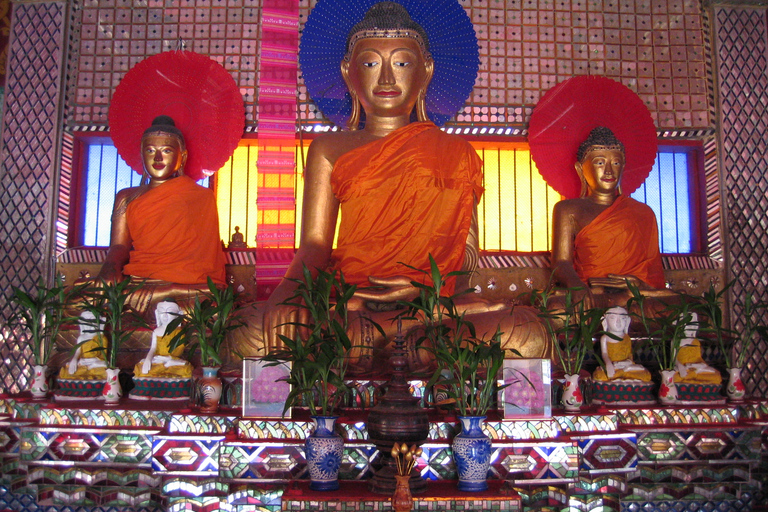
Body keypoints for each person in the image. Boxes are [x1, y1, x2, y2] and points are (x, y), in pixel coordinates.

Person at [232, 2, 550, 372]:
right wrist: (287, 296)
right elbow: (315, 246)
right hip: (355, 304)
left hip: (433, 309)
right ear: (348, 73)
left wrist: (427, 294)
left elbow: (464, 257)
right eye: (370, 64)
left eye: (401, 63)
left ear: (426, 71)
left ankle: (397, 345)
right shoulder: (329, 149)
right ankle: (414, 351)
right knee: (251, 332)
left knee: (527, 333)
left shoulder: (456, 153)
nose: (386, 79)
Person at [94, 115, 227, 319]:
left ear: (182, 156)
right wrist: (109, 267)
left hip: (188, 284)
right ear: (141, 154)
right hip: (140, 279)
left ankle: (170, 291)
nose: (158, 158)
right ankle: (168, 294)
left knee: (212, 300)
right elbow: (119, 246)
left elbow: (205, 261)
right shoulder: (126, 197)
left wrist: (172, 286)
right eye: (150, 150)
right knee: (79, 299)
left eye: (166, 150)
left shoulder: (201, 197)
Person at [550, 126, 668, 308]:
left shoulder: (643, 213)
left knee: (685, 306)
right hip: (592, 295)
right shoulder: (568, 209)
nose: (608, 171)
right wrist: (577, 288)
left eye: (615, 163)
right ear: (580, 169)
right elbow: (561, 262)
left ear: (623, 167)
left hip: (634, 298)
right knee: (557, 309)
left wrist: (637, 284)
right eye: (599, 162)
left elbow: (653, 275)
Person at [134, 301, 193, 379]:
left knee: (186, 370)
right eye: (162, 312)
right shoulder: (156, 331)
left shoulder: (179, 332)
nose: (165, 316)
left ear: (178, 315)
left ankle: (172, 363)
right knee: (139, 368)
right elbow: (153, 348)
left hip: (172, 360)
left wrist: (169, 358)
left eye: (170, 312)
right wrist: (148, 359)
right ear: (157, 313)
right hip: (158, 360)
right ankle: (166, 366)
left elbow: (179, 350)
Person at [592, 306, 651, 382]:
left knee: (646, 375)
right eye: (613, 318)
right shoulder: (605, 338)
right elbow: (604, 354)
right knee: (599, 375)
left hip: (626, 366)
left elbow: (629, 355)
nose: (618, 322)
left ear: (627, 321)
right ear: (605, 321)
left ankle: (623, 373)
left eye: (622, 318)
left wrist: (627, 362)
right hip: (613, 366)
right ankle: (622, 375)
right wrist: (609, 364)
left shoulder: (627, 338)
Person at [674, 312, 722, 385]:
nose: (689, 329)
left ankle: (691, 380)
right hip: (682, 368)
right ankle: (694, 381)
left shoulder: (695, 342)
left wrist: (699, 366)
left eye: (692, 327)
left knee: (716, 377)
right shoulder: (675, 341)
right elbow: (674, 359)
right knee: (674, 377)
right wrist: (681, 368)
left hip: (695, 368)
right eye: (687, 326)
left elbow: (698, 358)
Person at [59, 311, 108, 380]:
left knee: (105, 370)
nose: (90, 324)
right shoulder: (82, 337)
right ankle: (88, 377)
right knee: (68, 369)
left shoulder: (102, 338)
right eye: (86, 321)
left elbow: (103, 356)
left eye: (93, 321)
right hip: (83, 362)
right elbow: (77, 352)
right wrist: (74, 360)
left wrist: (95, 360)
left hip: (95, 363)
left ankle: (87, 376)